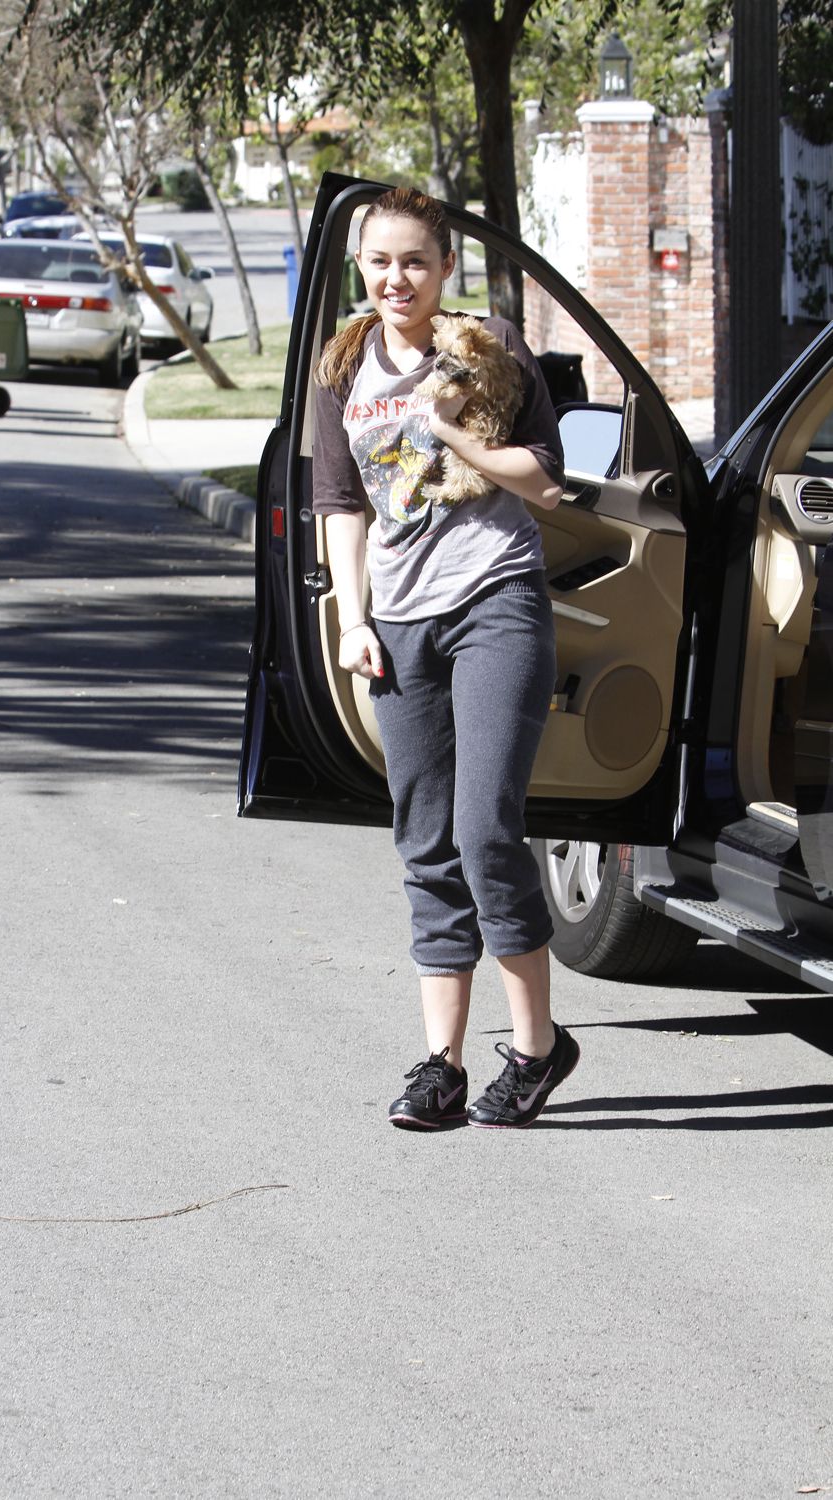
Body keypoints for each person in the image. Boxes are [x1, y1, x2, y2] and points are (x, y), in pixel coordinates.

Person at [311, 186, 580, 1130]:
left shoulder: (486, 350)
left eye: (415, 262)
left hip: (495, 600)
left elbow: (546, 482)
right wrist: (354, 619)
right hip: (399, 624)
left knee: (484, 832)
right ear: (361, 267)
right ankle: (442, 1066)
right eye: (381, 262)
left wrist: (454, 429)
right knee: (424, 840)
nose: (398, 279)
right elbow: (340, 504)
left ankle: (536, 1050)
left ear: (445, 268)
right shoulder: (343, 367)